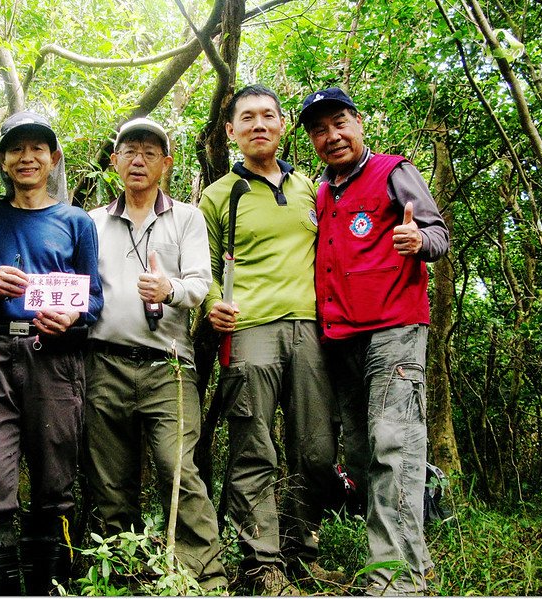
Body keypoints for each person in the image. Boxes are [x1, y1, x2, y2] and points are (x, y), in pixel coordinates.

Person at [299, 87, 450, 595]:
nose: (332, 136)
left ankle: (394, 583)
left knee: (393, 447)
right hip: (341, 339)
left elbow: (437, 233)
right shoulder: (321, 192)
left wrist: (418, 240)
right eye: (319, 130)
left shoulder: (392, 171)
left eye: (339, 123)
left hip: (394, 329)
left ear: (358, 123)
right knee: (363, 454)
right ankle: (416, 562)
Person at [198, 84, 339, 595]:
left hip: (313, 330)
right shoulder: (217, 196)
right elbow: (203, 267)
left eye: (268, 116)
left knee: (318, 451)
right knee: (254, 450)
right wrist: (215, 302)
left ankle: (305, 553)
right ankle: (263, 565)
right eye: (247, 118)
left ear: (282, 126)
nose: (259, 125)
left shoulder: (312, 189)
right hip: (250, 331)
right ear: (231, 131)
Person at [0, 110, 103, 595]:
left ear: (53, 159)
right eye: (16, 149)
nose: (27, 158)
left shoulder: (76, 221)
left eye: (37, 148)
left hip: (56, 358)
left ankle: (49, 589)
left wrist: (72, 319)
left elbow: (94, 298)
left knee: (53, 488)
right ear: (2, 161)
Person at [84, 117, 228, 592]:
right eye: (129, 151)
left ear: (166, 163)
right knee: (111, 481)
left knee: (177, 470)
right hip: (104, 363)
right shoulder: (92, 223)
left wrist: (169, 289)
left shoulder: (185, 217)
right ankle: (118, 576)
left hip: (168, 366)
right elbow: (79, 288)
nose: (138, 159)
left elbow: (199, 284)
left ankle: (205, 577)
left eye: (150, 152)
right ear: (115, 162)